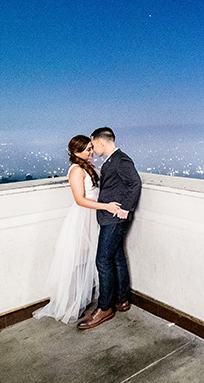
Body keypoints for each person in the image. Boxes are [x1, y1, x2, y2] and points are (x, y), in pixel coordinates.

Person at [33, 135, 124, 324]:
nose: (91, 152)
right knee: (78, 261)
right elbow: (80, 200)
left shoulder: (87, 167)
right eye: (86, 149)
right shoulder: (76, 170)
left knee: (93, 258)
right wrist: (106, 206)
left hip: (94, 217)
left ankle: (90, 300)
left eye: (91, 148)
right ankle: (70, 303)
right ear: (75, 152)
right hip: (83, 218)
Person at [77, 126, 142, 330]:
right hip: (110, 217)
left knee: (102, 260)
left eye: (93, 144)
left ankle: (105, 308)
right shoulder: (112, 160)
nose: (93, 147)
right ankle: (121, 300)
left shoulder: (121, 160)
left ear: (102, 142)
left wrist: (124, 210)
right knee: (117, 257)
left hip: (113, 219)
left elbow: (135, 183)